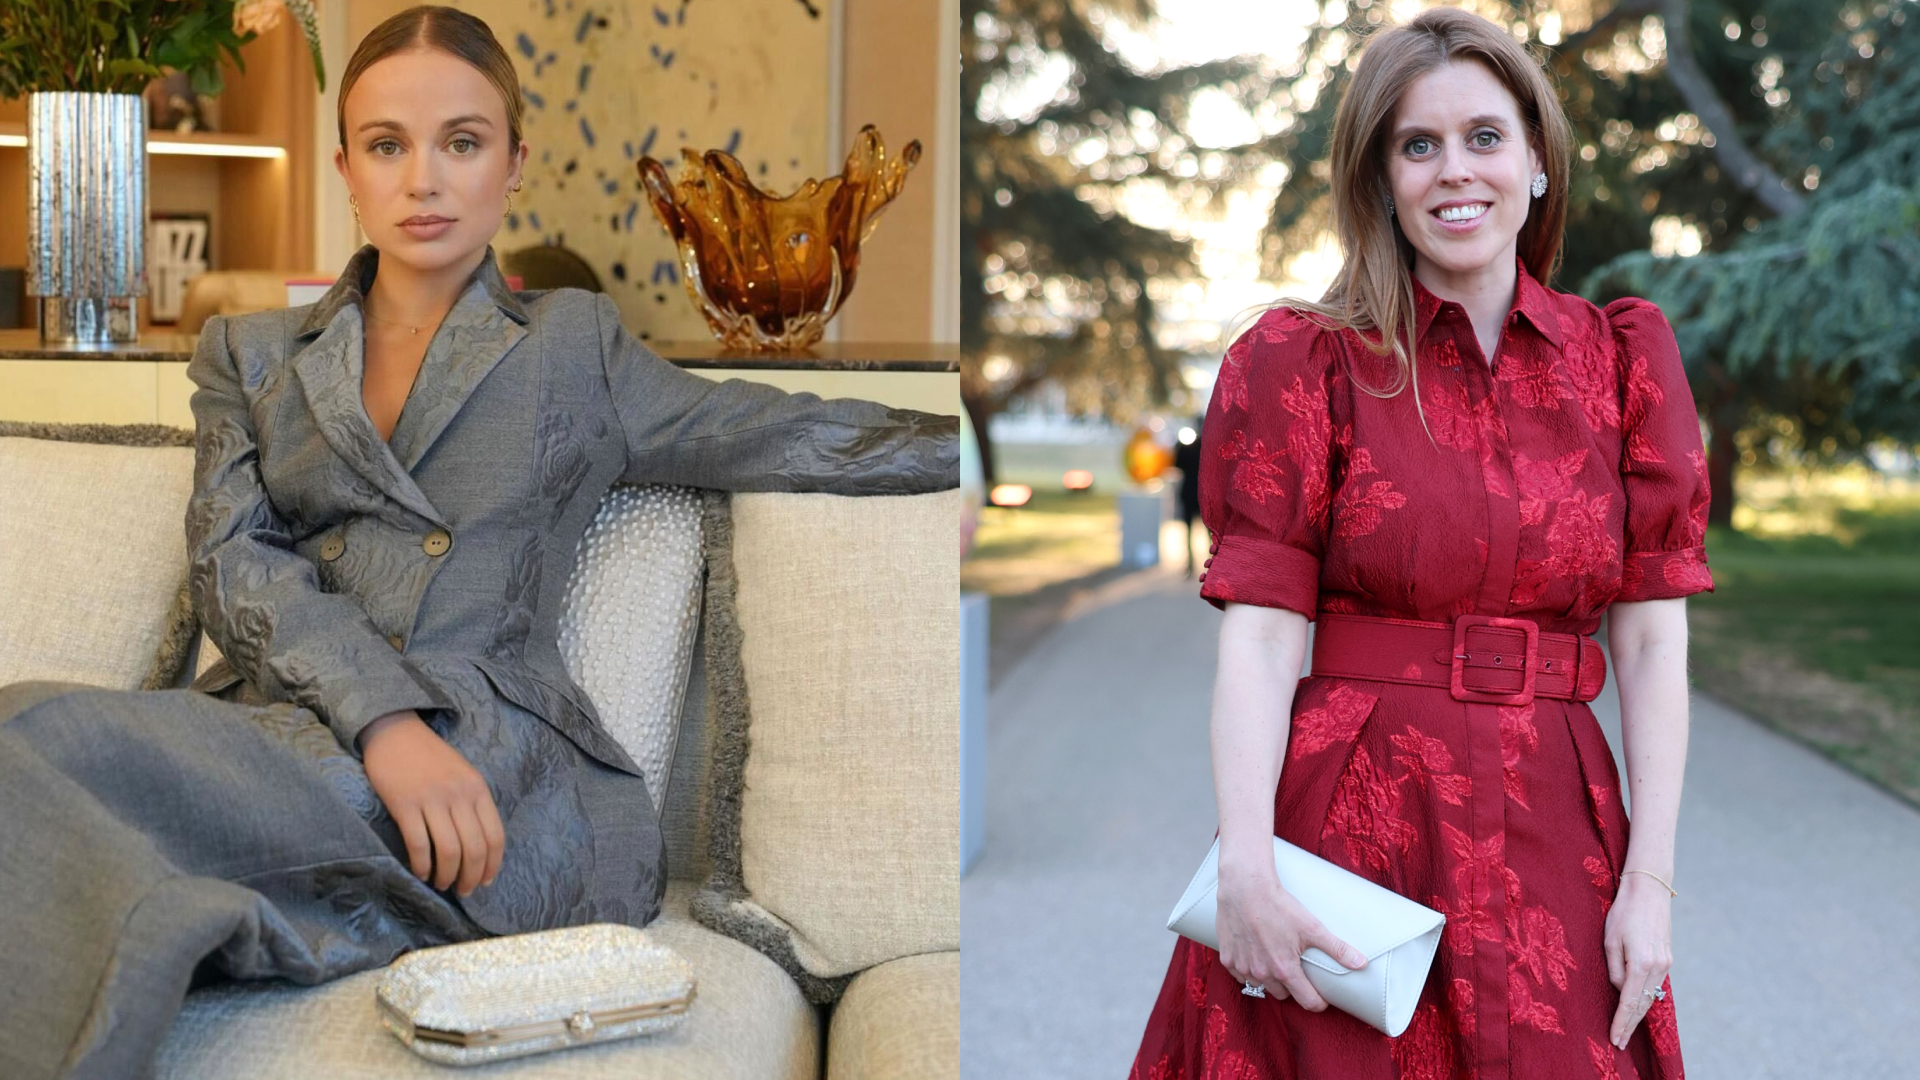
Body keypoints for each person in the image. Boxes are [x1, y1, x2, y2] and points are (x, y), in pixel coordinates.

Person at [0, 7, 956, 1079]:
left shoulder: (571, 345)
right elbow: (233, 565)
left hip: (491, 770)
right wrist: (381, 719)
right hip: (302, 729)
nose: (424, 180)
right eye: (387, 145)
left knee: (49, 754)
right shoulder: (251, 353)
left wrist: (965, 458)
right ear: (346, 169)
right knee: (36, 745)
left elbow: (774, 430)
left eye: (461, 142)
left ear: (512, 164)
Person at [1130, 8, 1708, 1078]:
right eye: (1418, 144)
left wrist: (1649, 885)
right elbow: (1260, 641)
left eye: (1485, 137)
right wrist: (1248, 866)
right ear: (1380, 178)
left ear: (1538, 160)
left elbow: (1652, 646)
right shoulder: (1306, 365)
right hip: (1350, 822)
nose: (1456, 172)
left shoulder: (1621, 365)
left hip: (1557, 830)